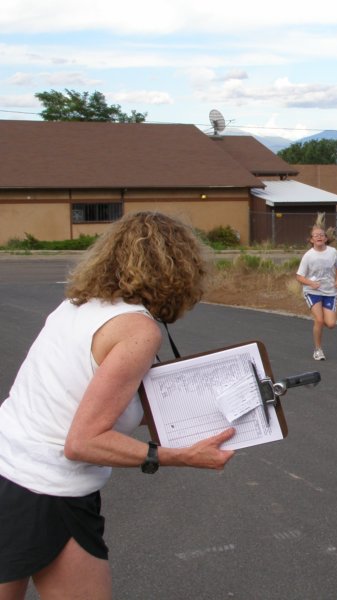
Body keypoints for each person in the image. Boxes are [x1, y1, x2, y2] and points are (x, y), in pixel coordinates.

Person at [0, 212, 236, 600]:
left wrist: (212, 403)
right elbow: (82, 442)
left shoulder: (77, 305)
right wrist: (182, 456)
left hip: (10, 469)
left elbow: (91, 401)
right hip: (48, 490)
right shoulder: (138, 330)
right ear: (178, 270)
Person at [296, 215, 337, 361]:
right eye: (316, 236)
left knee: (331, 324)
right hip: (312, 292)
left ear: (326, 238)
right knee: (319, 320)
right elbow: (299, 276)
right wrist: (311, 283)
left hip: (329, 292)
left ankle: (321, 318)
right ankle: (318, 350)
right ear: (311, 240)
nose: (319, 237)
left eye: (322, 235)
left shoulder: (333, 252)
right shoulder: (308, 256)